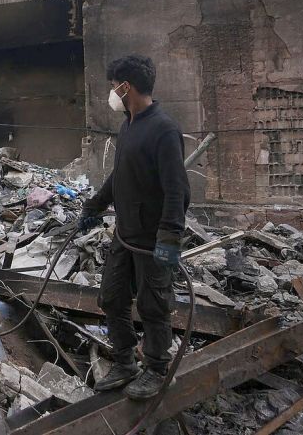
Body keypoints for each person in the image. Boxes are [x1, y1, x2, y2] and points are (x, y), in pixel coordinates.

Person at [78, 55, 190, 401]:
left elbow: (177, 189)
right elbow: (120, 176)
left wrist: (170, 238)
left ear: (126, 87)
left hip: (152, 240)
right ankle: (125, 361)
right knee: (111, 297)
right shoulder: (127, 127)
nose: (112, 93)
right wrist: (95, 204)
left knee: (153, 303)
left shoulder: (164, 129)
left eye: (114, 86)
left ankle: (156, 368)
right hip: (125, 234)